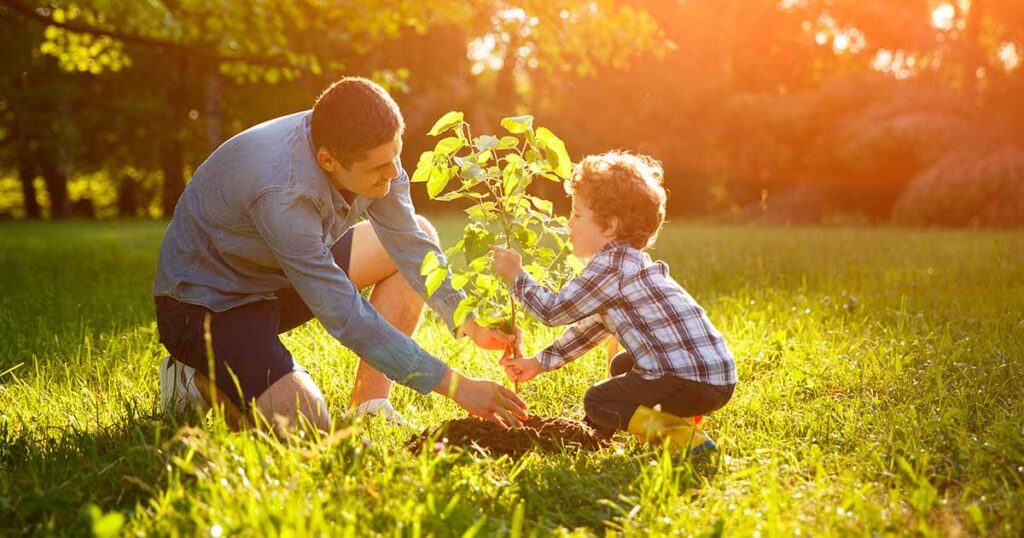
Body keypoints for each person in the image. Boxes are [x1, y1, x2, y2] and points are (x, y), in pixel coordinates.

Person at [153, 77, 526, 434]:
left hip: (277, 273)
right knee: (306, 428)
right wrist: (458, 386)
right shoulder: (284, 193)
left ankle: (369, 406)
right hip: (208, 306)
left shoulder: (364, 147)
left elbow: (410, 245)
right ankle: (194, 377)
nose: (395, 173)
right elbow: (345, 315)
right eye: (379, 167)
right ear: (328, 160)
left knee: (422, 232)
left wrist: (469, 321)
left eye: (396, 154)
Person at [492, 151, 736, 454]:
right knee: (623, 366)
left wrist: (516, 277)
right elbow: (591, 329)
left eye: (577, 215)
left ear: (608, 226)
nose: (569, 223)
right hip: (714, 378)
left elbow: (552, 311)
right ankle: (594, 437)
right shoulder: (627, 265)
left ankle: (684, 440)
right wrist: (539, 363)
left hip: (689, 381)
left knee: (599, 399)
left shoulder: (611, 266)